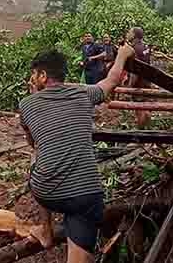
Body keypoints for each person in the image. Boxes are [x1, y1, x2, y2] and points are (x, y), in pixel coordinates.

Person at [20, 46, 135, 262]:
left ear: (43, 76)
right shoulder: (84, 93)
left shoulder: (26, 104)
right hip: (86, 195)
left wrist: (35, 95)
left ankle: (46, 230)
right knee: (81, 220)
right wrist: (122, 55)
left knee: (36, 156)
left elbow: (33, 141)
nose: (31, 79)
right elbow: (111, 81)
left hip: (47, 192)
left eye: (33, 74)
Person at [126, 27, 152, 128]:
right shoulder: (146, 47)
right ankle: (150, 134)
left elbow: (135, 72)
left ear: (134, 35)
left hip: (139, 83)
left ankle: (141, 138)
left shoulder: (133, 49)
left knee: (140, 110)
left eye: (129, 32)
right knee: (146, 108)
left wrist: (129, 86)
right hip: (147, 81)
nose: (127, 34)